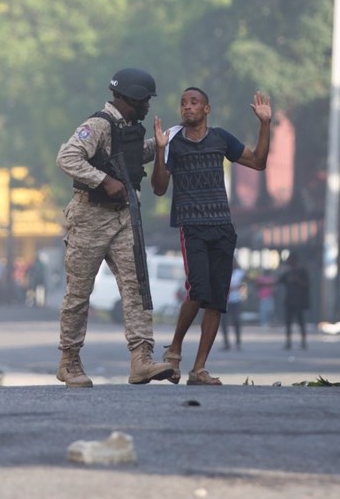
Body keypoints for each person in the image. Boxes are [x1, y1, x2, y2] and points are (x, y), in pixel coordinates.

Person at [54, 67, 174, 388]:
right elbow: (67, 157)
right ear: (129, 98)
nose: (148, 106)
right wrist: (103, 180)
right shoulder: (98, 125)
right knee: (79, 295)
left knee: (136, 288)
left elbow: (133, 157)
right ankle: (69, 361)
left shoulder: (129, 128)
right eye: (144, 100)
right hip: (90, 216)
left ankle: (141, 359)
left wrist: (159, 145)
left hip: (124, 217)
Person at [152, 87, 274, 385]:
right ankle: (175, 349)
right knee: (198, 290)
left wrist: (265, 124)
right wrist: (158, 150)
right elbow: (158, 187)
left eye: (194, 103)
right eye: (183, 103)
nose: (187, 108)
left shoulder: (221, 138)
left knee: (217, 300)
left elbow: (258, 162)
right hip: (191, 226)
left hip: (222, 226)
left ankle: (199, 369)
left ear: (207, 109)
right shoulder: (173, 141)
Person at [277, 252, 310, 350]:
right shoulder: (287, 273)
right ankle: (288, 342)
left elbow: (307, 284)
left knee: (301, 322)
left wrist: (297, 280)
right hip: (289, 301)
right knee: (288, 323)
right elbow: (278, 281)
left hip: (299, 301)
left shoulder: (302, 271)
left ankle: (303, 342)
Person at [221, 262, 246, 351]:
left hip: (236, 300)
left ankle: (238, 343)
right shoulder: (222, 272)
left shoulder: (239, 273)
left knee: (236, 321)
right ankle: (226, 343)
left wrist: (239, 288)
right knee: (224, 323)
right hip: (224, 301)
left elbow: (244, 284)